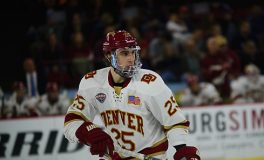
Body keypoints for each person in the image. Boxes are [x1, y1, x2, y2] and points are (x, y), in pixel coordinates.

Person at [63, 30, 200, 160]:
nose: (131, 59)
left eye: (133, 53)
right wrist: (88, 133)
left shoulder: (151, 82)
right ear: (109, 56)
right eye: (124, 53)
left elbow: (174, 122)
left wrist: (182, 149)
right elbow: (71, 122)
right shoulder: (91, 82)